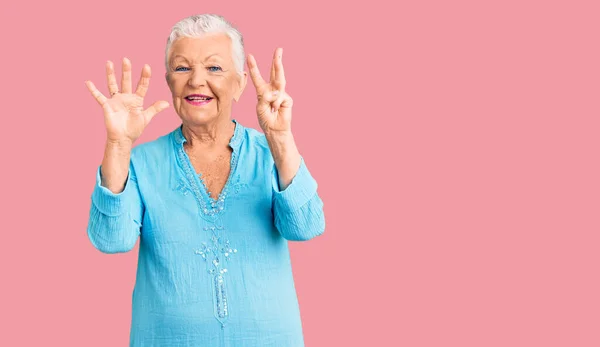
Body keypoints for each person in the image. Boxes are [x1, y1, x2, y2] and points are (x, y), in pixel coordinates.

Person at [84, 13, 325, 347]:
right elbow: (112, 240)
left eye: (214, 68)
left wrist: (281, 137)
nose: (196, 81)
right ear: (169, 81)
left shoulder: (270, 152)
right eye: (183, 68)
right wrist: (118, 144)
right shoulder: (140, 162)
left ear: (240, 83)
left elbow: (306, 227)